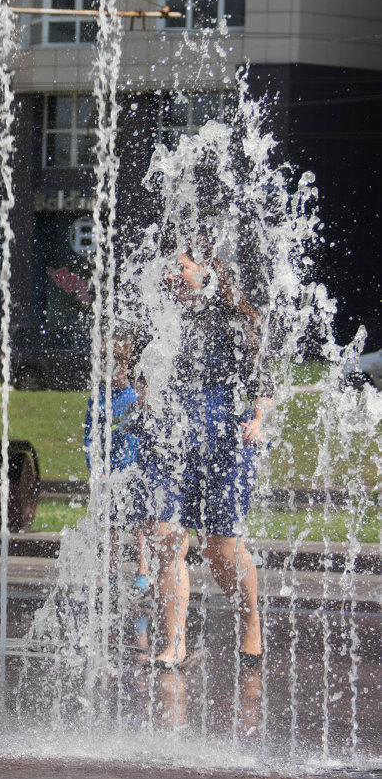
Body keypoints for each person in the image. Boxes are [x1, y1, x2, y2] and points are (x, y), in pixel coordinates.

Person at [142, 233, 271, 670]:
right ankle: (174, 642)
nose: (172, 274)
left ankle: (251, 623)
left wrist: (257, 419)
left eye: (180, 266)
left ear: (205, 271)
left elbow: (262, 381)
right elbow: (140, 371)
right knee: (165, 538)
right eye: (170, 267)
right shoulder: (159, 318)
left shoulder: (233, 319)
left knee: (221, 549)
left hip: (224, 440)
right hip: (169, 436)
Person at [83, 336, 151, 597]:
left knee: (139, 525)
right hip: (109, 471)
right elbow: (90, 437)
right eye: (105, 366)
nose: (111, 373)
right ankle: (111, 575)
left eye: (116, 367)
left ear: (126, 368)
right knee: (110, 525)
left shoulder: (135, 396)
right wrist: (96, 468)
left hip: (135, 468)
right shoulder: (98, 399)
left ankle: (142, 571)